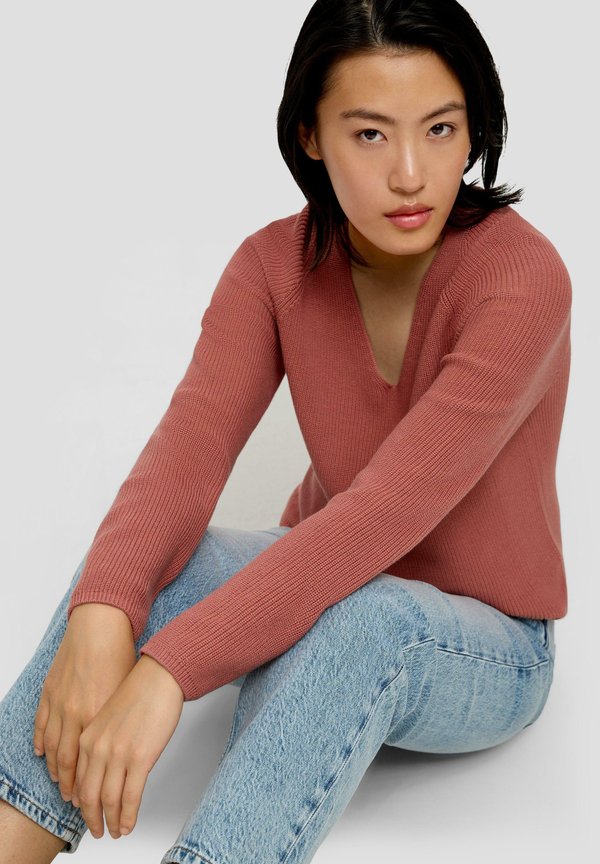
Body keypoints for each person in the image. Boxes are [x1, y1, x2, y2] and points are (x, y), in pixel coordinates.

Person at [0, 0, 571, 861]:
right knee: (138, 569)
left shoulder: (523, 280)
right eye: (370, 134)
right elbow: (184, 457)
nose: (411, 174)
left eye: (441, 129)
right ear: (310, 135)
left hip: (488, 640)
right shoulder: (273, 266)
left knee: (369, 620)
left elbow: (382, 515)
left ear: (476, 130)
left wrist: (169, 670)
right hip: (326, 578)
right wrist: (103, 612)